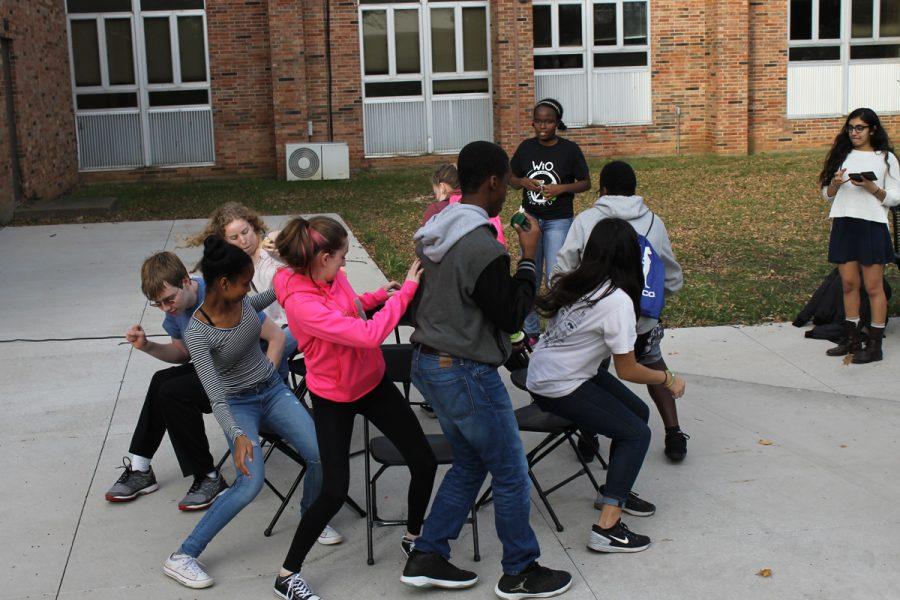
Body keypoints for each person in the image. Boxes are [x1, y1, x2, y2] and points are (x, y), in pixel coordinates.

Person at [402, 140, 573, 600]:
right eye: (508, 183)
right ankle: (520, 569)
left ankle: (428, 553)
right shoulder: (481, 246)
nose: (508, 193)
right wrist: (529, 255)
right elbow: (511, 313)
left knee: (472, 462)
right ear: (494, 182)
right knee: (511, 468)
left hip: (430, 363)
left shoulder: (440, 230)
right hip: (463, 371)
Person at [270, 216, 437, 600]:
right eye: (342, 258)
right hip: (333, 396)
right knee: (333, 490)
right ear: (322, 257)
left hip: (372, 383)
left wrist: (379, 296)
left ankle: (413, 537)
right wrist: (406, 292)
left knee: (423, 460)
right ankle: (287, 574)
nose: (345, 265)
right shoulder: (301, 303)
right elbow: (368, 334)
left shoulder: (328, 275)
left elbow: (350, 309)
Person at [163, 237, 329, 590]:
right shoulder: (198, 333)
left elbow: (266, 296)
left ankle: (310, 516)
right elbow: (217, 397)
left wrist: (298, 270)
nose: (247, 288)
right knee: (249, 483)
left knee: (320, 454)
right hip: (238, 405)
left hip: (271, 391)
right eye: (243, 281)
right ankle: (183, 555)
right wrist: (237, 435)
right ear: (223, 284)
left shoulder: (244, 304)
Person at [527, 218, 686, 554]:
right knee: (636, 433)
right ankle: (607, 527)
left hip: (554, 371)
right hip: (559, 383)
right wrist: (667, 378)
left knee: (638, 412)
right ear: (631, 257)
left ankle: (615, 489)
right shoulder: (616, 302)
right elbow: (627, 369)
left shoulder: (579, 281)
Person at [555, 160, 688, 462]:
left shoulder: (586, 220)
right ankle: (674, 432)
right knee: (654, 365)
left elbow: (564, 267)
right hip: (641, 320)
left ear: (601, 190)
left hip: (594, 319)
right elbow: (671, 275)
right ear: (634, 191)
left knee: (592, 375)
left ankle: (590, 434)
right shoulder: (654, 222)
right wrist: (656, 302)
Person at [105, 251, 229, 512]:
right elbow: (183, 354)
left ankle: (208, 477)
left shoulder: (218, 296)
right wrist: (148, 346)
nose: (166, 308)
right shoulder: (177, 309)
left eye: (168, 300)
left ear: (186, 281)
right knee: (161, 381)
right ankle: (140, 469)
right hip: (210, 369)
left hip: (236, 374)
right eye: (158, 304)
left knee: (174, 392)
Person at [820, 107, 899, 363]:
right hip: (844, 223)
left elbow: (896, 196)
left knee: (874, 286)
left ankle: (874, 346)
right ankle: (851, 338)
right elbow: (826, 194)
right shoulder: (842, 155)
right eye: (850, 127)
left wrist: (871, 187)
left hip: (872, 226)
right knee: (849, 284)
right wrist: (835, 183)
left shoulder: (885, 158)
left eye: (859, 128)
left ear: (872, 129)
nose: (854, 132)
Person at [510, 98, 591, 344]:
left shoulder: (569, 150)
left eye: (549, 122)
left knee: (556, 277)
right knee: (529, 275)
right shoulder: (525, 148)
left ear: (557, 124)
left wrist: (561, 188)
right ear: (532, 123)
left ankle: (558, 328)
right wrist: (523, 182)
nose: (543, 126)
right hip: (531, 219)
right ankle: (531, 331)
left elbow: (586, 182)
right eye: (539, 122)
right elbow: (512, 177)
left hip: (559, 220)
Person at [187, 202, 297, 379]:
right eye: (234, 237)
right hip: (274, 323)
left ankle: (277, 392)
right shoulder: (239, 263)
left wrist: (285, 252)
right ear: (225, 241)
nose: (243, 240)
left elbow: (294, 252)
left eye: (245, 232)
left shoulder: (271, 244)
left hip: (299, 321)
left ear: (253, 226)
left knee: (269, 351)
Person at [423, 163, 506, 245]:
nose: (436, 197)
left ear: (442, 187)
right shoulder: (481, 202)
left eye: (435, 192)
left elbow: (424, 247)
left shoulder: (436, 210)